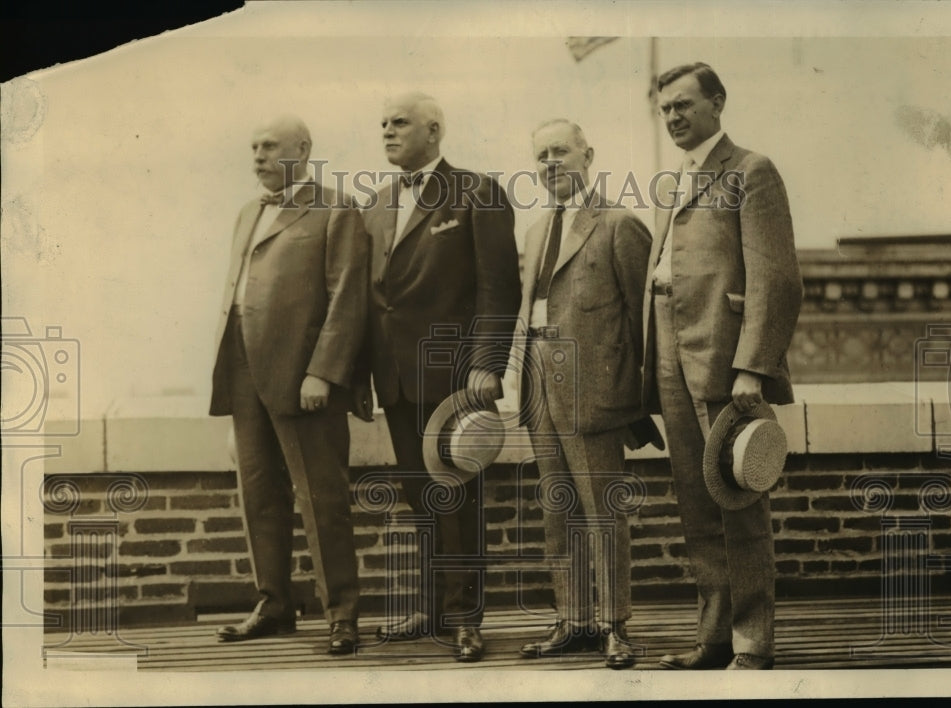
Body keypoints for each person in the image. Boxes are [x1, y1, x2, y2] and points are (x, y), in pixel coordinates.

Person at [641, 63, 803, 670]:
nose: (675, 117)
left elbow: (777, 279)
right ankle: (712, 639)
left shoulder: (751, 170)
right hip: (669, 355)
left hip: (724, 360)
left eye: (684, 105)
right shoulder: (673, 179)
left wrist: (752, 368)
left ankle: (752, 643)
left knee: (737, 500)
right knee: (696, 500)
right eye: (666, 110)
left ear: (717, 102)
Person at [353, 92, 521, 663]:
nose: (388, 132)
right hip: (394, 379)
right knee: (419, 495)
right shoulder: (373, 205)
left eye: (399, 123)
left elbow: (500, 286)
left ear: (435, 129)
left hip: (454, 377)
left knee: (458, 495)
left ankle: (466, 618)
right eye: (382, 124)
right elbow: (368, 300)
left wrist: (487, 362)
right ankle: (431, 607)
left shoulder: (477, 192)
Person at [209, 115, 368, 656]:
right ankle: (273, 604)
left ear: (303, 149)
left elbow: (347, 297)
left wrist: (322, 371)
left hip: (304, 378)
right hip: (243, 372)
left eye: (269, 145)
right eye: (252, 145)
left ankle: (341, 614)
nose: (257, 155)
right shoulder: (247, 212)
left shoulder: (336, 208)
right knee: (258, 493)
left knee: (322, 497)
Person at [515, 120, 652, 669]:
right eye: (541, 154)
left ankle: (615, 626)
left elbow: (645, 321)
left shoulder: (619, 224)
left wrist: (636, 398)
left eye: (561, 152)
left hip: (593, 390)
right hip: (539, 384)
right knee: (558, 508)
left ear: (587, 155)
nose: (551, 163)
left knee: (601, 511)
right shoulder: (534, 232)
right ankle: (573, 621)